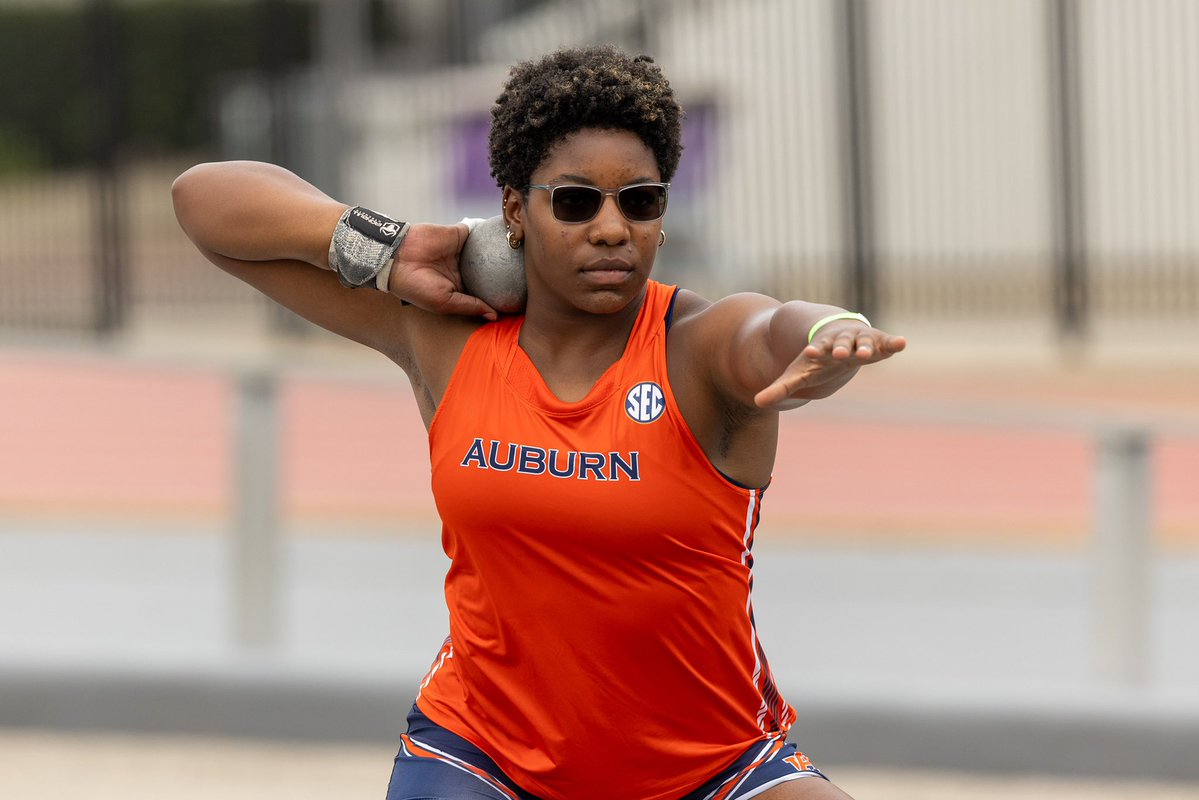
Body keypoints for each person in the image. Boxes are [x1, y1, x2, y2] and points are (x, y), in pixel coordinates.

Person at [173, 44, 904, 800]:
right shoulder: (447, 337)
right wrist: (390, 249)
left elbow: (778, 327)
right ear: (515, 210)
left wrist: (832, 334)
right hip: (482, 756)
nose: (613, 228)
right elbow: (205, 201)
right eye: (576, 201)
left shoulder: (699, 346)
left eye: (641, 201)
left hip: (713, 770)